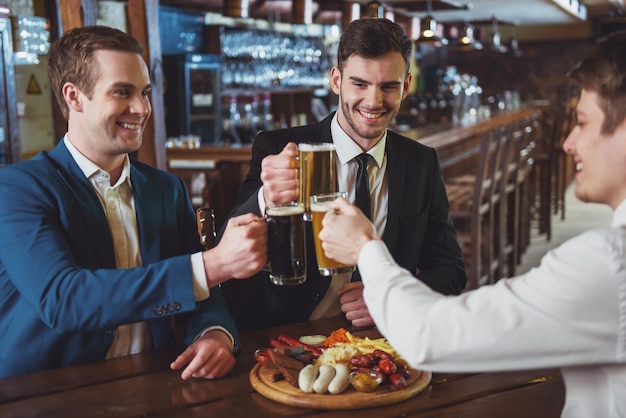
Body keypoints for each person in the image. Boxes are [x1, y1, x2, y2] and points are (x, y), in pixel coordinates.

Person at [318, 30, 626, 417]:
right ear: (336, 80)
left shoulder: (609, 261)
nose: (568, 142)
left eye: (581, 122)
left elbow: (432, 335)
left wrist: (366, 247)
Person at [0, 26, 267, 379]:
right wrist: (212, 264)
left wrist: (214, 333)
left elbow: (204, 295)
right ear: (74, 97)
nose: (141, 108)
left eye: (144, 92)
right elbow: (64, 299)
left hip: (150, 379)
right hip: (45, 392)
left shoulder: (166, 189)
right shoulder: (17, 188)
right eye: (122, 92)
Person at [223, 17, 466, 331]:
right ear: (336, 80)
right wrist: (264, 197)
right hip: (289, 337)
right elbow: (226, 243)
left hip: (381, 342)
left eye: (388, 86)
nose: (374, 101)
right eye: (360, 84)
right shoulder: (279, 147)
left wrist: (392, 295)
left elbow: (450, 270)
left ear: (405, 87)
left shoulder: (421, 162)